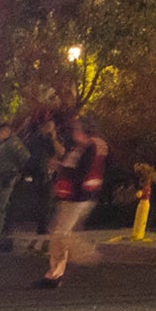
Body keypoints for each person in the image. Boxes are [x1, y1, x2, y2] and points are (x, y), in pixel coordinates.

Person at [38, 113, 107, 289]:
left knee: (61, 234)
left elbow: (82, 172)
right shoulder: (80, 148)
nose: (73, 132)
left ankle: (87, 254)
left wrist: (61, 168)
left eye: (77, 128)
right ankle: (53, 275)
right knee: (57, 235)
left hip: (80, 197)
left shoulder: (92, 148)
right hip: (70, 196)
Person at [0, 117, 31, 253]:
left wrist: (15, 174)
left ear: (6, 131)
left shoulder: (13, 143)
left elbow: (25, 158)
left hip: (5, 180)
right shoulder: (4, 144)